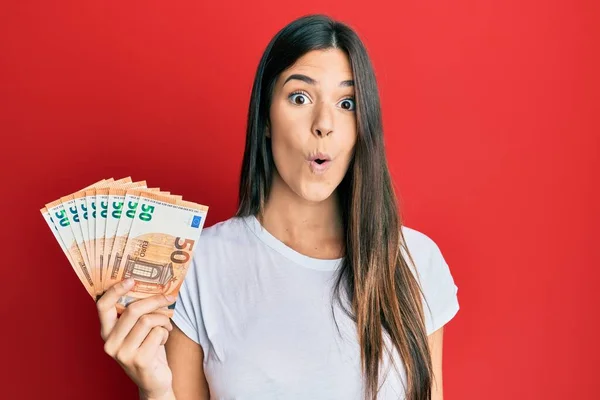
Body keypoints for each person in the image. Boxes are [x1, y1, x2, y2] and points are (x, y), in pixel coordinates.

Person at [96, 14, 460, 400]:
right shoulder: (198, 265)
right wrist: (154, 389)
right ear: (266, 117)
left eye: (347, 102)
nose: (324, 123)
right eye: (300, 97)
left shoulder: (415, 262)